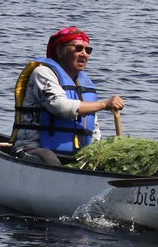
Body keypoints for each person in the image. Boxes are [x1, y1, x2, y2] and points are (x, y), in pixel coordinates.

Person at [12, 26, 126, 165]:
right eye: (78, 49)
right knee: (48, 158)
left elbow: (94, 128)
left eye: (88, 50)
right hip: (35, 149)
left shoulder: (85, 83)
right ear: (60, 51)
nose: (84, 54)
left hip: (74, 155)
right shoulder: (42, 73)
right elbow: (61, 107)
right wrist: (104, 105)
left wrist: (98, 152)